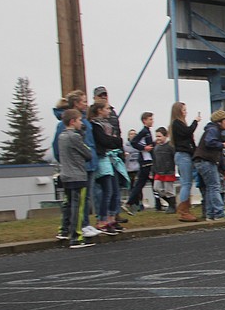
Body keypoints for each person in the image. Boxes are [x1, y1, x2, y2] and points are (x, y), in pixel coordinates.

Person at [57, 108, 94, 248]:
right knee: (78, 207)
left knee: (68, 204)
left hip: (66, 175)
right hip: (78, 176)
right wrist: (82, 136)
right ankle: (76, 237)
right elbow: (88, 153)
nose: (81, 123)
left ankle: (64, 229)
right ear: (73, 121)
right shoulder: (75, 137)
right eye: (79, 120)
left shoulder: (62, 136)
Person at [89, 100, 123, 235]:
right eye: (107, 109)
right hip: (102, 159)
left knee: (114, 190)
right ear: (100, 110)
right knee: (106, 191)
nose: (109, 111)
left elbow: (116, 141)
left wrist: (114, 142)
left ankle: (111, 217)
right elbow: (104, 141)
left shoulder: (107, 124)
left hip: (110, 159)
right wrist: (114, 141)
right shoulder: (95, 125)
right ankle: (102, 220)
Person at [193, 110, 225, 220]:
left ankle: (210, 214)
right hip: (206, 161)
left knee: (210, 188)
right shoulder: (213, 130)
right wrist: (222, 144)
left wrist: (223, 168)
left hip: (202, 161)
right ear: (219, 121)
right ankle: (219, 212)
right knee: (215, 186)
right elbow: (209, 142)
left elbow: (219, 154)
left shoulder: (214, 130)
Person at [170, 102, 201, 222]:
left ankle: (185, 209)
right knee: (187, 183)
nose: (186, 112)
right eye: (184, 110)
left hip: (184, 155)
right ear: (179, 111)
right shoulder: (177, 124)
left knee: (186, 183)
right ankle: (183, 211)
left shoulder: (177, 124)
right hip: (183, 156)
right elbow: (188, 132)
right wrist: (195, 121)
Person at [125, 113, 155, 212]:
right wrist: (143, 148)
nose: (152, 121)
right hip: (145, 160)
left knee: (143, 183)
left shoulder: (148, 132)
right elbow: (134, 142)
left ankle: (131, 202)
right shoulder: (143, 131)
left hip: (149, 159)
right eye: (150, 119)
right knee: (141, 183)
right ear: (144, 121)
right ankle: (130, 202)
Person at [151, 127, 178, 213]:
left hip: (168, 171)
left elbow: (175, 157)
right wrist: (153, 171)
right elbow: (154, 160)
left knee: (168, 190)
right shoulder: (156, 148)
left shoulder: (170, 146)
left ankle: (172, 206)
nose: (158, 138)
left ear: (165, 136)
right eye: (156, 136)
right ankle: (170, 203)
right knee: (157, 188)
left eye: (159, 136)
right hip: (159, 172)